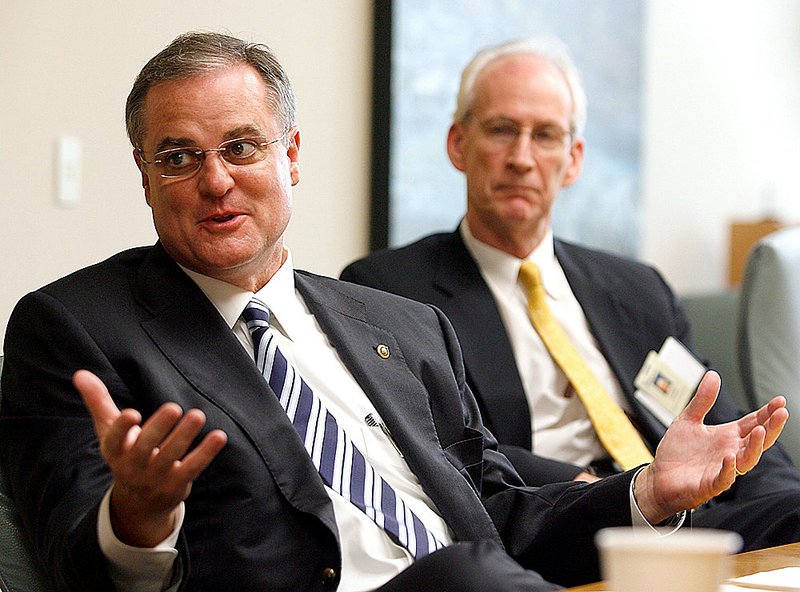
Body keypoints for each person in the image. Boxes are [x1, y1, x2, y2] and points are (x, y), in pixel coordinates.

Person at [0, 32, 787, 592]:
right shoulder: (72, 328)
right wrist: (138, 517)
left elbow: (498, 511)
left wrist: (648, 490)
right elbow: (78, 561)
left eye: (242, 146)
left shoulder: (397, 324)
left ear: (292, 156)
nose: (215, 180)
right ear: (143, 175)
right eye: (178, 157)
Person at [340, 36, 800, 553]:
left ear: (574, 159)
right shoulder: (387, 289)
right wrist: (604, 487)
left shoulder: (636, 287)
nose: (521, 158)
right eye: (501, 130)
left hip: (693, 520)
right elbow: (442, 449)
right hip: (554, 525)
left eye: (545, 136)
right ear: (457, 144)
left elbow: (717, 424)